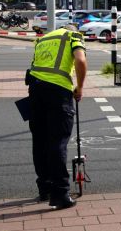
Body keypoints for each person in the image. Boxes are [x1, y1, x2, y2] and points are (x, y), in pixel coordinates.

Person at [27, 24, 87, 209]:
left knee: (40, 141)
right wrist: (80, 87)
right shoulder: (73, 35)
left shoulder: (42, 39)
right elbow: (80, 60)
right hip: (58, 93)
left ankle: (44, 189)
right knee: (57, 141)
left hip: (35, 91)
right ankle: (60, 194)